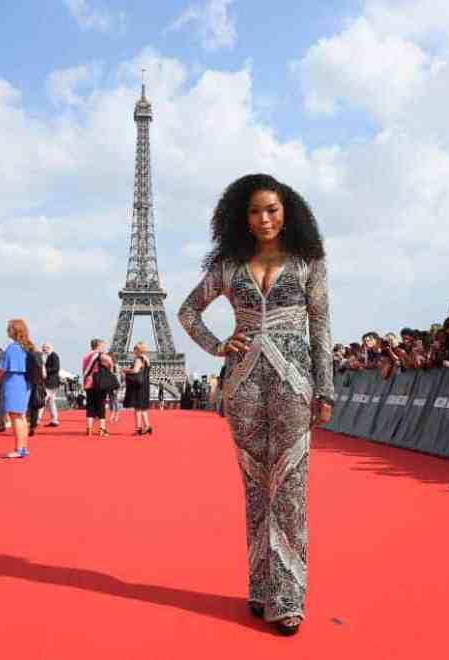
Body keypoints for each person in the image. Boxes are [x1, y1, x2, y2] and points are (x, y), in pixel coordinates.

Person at [178, 173, 333, 636]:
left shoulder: (309, 263)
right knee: (255, 487)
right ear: (241, 219)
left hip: (294, 384)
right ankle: (261, 587)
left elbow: (321, 328)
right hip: (242, 384)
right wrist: (217, 344)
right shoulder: (228, 266)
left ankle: (288, 598)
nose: (264, 219)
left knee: (290, 488)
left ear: (287, 213)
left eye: (272, 210)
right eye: (254, 211)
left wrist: (324, 389)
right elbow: (187, 311)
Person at [0, 319, 33, 459]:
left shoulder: (12, 348)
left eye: (9, 328)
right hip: (25, 383)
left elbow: (2, 368)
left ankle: (18, 449)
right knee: (22, 416)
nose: (7, 331)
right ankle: (23, 447)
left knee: (15, 416)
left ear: (15, 330)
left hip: (13, 382)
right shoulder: (27, 347)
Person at [81, 339, 114, 437]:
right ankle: (101, 429)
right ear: (98, 345)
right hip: (99, 384)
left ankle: (89, 429)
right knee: (101, 405)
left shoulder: (86, 356)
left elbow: (84, 370)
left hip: (88, 383)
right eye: (102, 346)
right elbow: (110, 362)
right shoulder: (101, 355)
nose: (103, 347)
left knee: (90, 405)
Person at [122, 341, 153, 435]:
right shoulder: (147, 359)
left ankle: (138, 428)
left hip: (138, 386)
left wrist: (126, 370)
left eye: (134, 349)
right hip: (145, 385)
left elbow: (135, 370)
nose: (133, 351)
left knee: (137, 408)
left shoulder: (138, 359)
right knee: (143, 408)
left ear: (138, 350)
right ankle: (147, 427)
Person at [40, 342, 61, 427]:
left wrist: (44, 371)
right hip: (52, 383)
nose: (43, 350)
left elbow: (56, 368)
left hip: (51, 383)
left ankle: (37, 419)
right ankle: (54, 420)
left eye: (44, 348)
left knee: (43, 401)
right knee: (51, 402)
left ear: (48, 348)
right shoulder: (50, 356)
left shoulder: (54, 356)